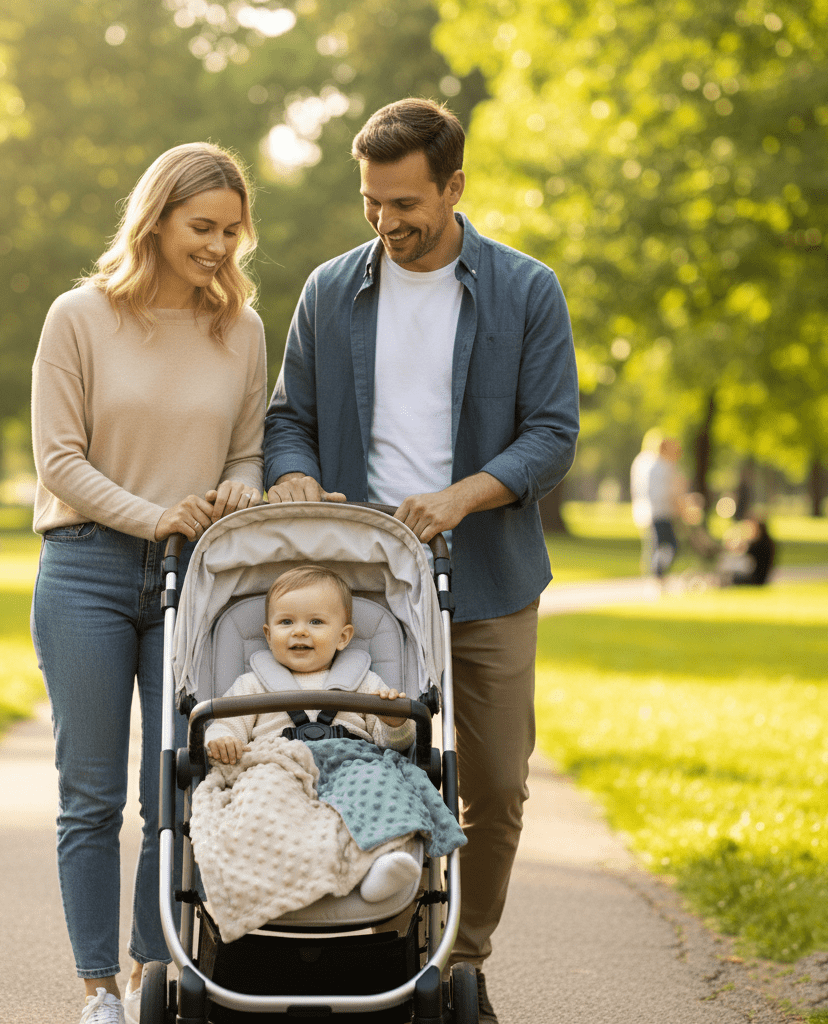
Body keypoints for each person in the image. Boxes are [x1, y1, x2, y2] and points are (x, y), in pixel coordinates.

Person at [263, 99, 580, 1022]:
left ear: (454, 187)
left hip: (487, 579)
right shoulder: (329, 291)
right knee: (336, 762)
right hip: (356, 589)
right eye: (371, 202)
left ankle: (460, 964)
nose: (386, 222)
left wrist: (461, 497)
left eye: (405, 203)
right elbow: (289, 417)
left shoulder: (527, 290)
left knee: (496, 786)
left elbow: (552, 434)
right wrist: (294, 474)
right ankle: (361, 942)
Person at [30, 142, 267, 1024]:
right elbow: (59, 460)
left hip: (189, 579)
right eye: (202, 226)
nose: (218, 246)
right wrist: (155, 514)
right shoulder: (79, 317)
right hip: (85, 568)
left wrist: (239, 487)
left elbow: (246, 448)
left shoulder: (241, 329)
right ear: (157, 219)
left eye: (232, 231)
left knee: (173, 785)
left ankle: (148, 973)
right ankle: (97, 988)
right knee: (90, 795)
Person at [204, 564, 424, 903]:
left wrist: (394, 722)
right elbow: (227, 723)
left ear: (343, 637)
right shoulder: (252, 685)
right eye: (286, 622)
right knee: (259, 794)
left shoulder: (366, 682)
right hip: (279, 769)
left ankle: (378, 864)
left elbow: (391, 743)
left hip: (351, 765)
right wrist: (221, 740)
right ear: (268, 635)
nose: (300, 632)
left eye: (316, 622)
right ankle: (275, 869)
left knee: (380, 782)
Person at [630, 432, 687, 582]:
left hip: (649, 511)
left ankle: (654, 575)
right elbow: (668, 492)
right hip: (660, 512)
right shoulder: (662, 466)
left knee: (656, 546)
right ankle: (657, 575)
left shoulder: (644, 463)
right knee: (668, 546)